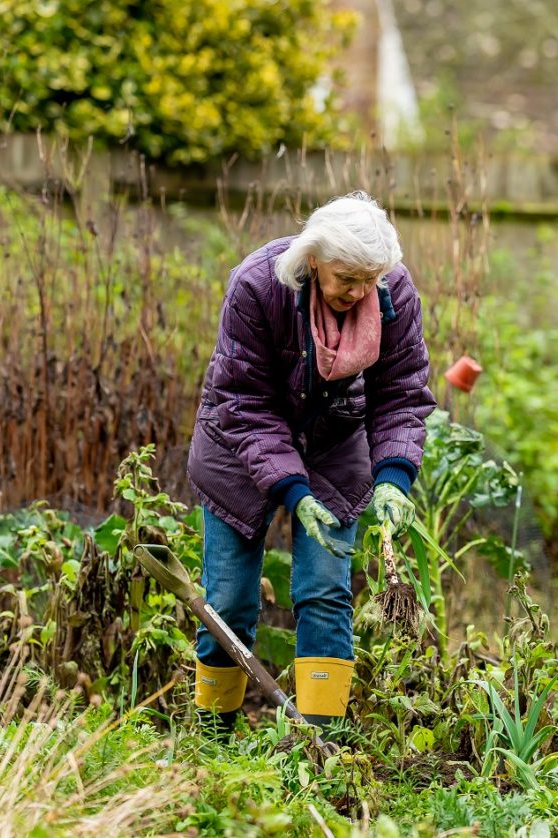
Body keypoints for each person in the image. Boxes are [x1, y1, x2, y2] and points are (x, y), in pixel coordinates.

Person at [187, 192, 436, 733]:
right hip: (237, 447)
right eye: (347, 278)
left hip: (333, 446)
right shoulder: (258, 285)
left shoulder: (391, 290)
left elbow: (403, 393)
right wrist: (292, 493)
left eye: (370, 279)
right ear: (313, 259)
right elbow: (243, 403)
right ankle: (213, 740)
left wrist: (394, 477)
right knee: (228, 601)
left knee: (324, 590)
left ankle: (322, 747)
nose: (360, 292)